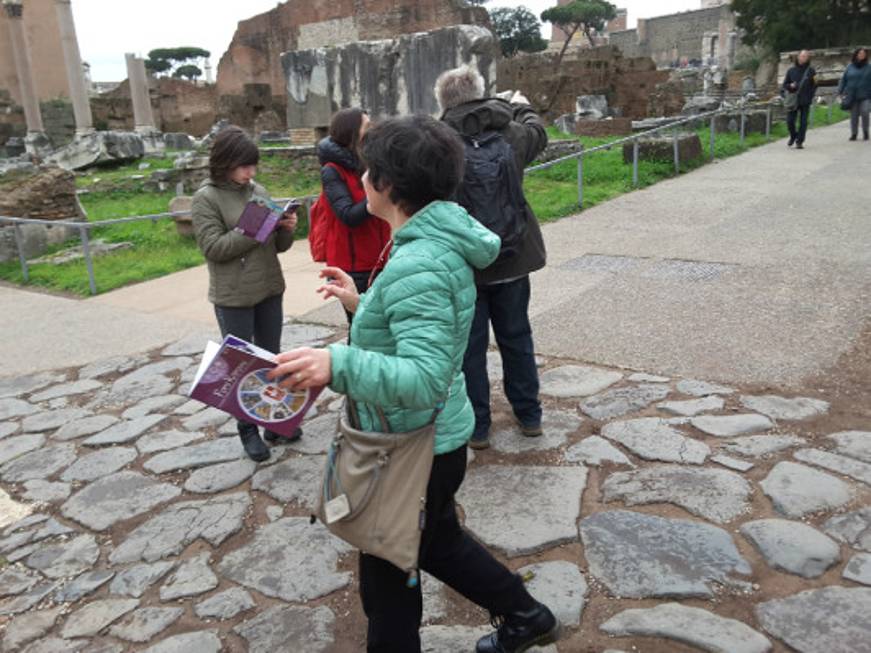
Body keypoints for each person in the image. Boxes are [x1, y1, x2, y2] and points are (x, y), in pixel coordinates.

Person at [269, 115, 561, 653]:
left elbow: (423, 377)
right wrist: (364, 306)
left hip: (412, 444)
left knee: (392, 567)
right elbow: (425, 332)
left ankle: (523, 614)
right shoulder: (426, 241)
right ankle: (526, 615)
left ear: (388, 185)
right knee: (428, 545)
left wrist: (338, 364)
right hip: (429, 436)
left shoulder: (418, 261)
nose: (362, 178)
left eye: (369, 169)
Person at [436, 65, 548, 450]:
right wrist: (521, 107)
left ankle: (478, 425)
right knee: (517, 337)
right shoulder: (511, 132)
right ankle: (529, 415)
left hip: (466, 263)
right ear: (482, 94)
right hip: (513, 255)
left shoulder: (438, 144)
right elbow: (539, 134)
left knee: (470, 347)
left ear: (444, 102)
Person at [191, 125, 301, 462]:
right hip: (233, 295)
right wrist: (255, 228)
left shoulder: (258, 189)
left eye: (253, 166)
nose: (250, 173)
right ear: (225, 162)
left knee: (271, 358)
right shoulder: (205, 198)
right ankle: (248, 431)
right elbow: (213, 247)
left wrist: (285, 229)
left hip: (269, 287)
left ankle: (272, 421)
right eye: (244, 166)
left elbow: (277, 246)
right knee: (241, 365)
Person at [317, 108, 392, 322]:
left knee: (382, 325)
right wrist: (381, 194)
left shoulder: (369, 162)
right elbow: (347, 214)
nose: (371, 130)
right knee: (361, 327)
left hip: (381, 259)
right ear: (351, 133)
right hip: (354, 266)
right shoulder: (332, 170)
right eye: (366, 126)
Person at [782, 50, 817, 149]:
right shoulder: (791, 71)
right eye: (802, 56)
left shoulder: (811, 71)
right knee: (790, 121)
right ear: (798, 57)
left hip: (805, 100)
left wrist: (811, 95)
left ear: (808, 58)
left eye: (805, 56)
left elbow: (815, 84)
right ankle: (793, 135)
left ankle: (800, 141)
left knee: (803, 122)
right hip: (794, 100)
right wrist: (790, 86)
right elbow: (785, 85)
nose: (803, 58)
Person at [838, 47, 871, 141]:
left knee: (865, 112)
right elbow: (843, 80)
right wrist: (840, 91)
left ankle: (865, 131)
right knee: (854, 115)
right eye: (860, 53)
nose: (862, 55)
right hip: (852, 95)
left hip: (866, 95)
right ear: (856, 55)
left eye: (864, 53)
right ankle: (854, 133)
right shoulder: (850, 66)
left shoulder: (869, 67)